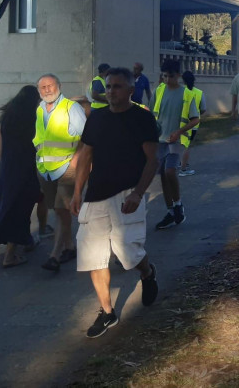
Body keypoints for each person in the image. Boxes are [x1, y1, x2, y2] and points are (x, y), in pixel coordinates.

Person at [70, 67, 160, 338]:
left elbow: (152, 161)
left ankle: (147, 272)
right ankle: (107, 312)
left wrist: (138, 193)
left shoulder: (142, 119)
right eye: (108, 86)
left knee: (129, 256)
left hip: (127, 193)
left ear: (131, 90)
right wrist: (77, 192)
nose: (111, 91)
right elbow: (85, 155)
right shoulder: (96, 118)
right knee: (93, 256)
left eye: (117, 87)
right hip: (96, 195)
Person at [0, 85, 41, 267]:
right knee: (20, 208)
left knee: (9, 206)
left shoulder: (7, 116)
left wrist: (2, 155)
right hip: (24, 168)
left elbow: (0, 136)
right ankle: (10, 255)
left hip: (9, 168)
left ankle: (26, 240)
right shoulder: (31, 118)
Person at [34, 73, 87, 272]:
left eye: (50, 85)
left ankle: (54, 255)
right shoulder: (40, 109)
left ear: (59, 86)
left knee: (61, 209)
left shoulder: (71, 108)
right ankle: (70, 247)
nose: (47, 90)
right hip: (45, 169)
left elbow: (86, 136)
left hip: (67, 168)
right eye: (43, 87)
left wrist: (77, 159)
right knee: (58, 210)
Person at [149, 59, 199, 230]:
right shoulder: (159, 91)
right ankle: (171, 211)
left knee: (170, 171)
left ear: (178, 75)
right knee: (163, 174)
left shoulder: (187, 94)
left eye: (170, 76)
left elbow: (195, 119)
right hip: (160, 139)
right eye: (164, 76)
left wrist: (178, 131)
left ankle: (178, 204)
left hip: (176, 140)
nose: (167, 79)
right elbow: (151, 113)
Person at [178, 71, 204, 177]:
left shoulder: (179, 91)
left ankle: (180, 163)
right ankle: (183, 169)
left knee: (177, 146)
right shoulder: (199, 92)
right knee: (187, 146)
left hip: (179, 123)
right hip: (193, 124)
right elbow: (203, 108)